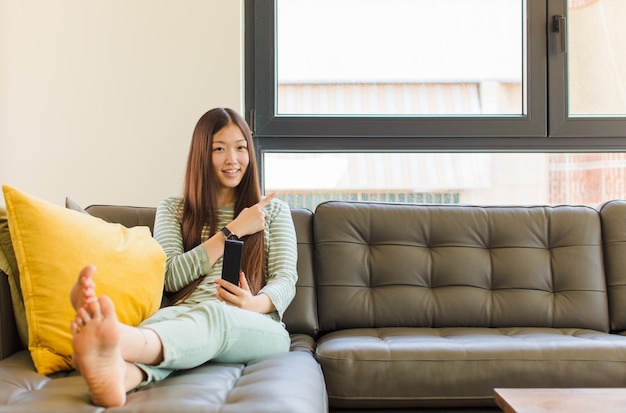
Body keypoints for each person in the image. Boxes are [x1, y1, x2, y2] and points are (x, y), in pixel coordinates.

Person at [69, 108, 298, 407]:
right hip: (182, 314)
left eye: (241, 147)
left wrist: (254, 303)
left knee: (217, 316)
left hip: (256, 324)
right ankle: (123, 376)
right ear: (202, 154)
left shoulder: (273, 211)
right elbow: (171, 275)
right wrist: (232, 231)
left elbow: (285, 278)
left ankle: (118, 340)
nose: (233, 159)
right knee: (170, 323)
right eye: (219, 149)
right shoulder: (174, 209)